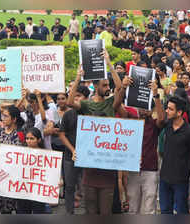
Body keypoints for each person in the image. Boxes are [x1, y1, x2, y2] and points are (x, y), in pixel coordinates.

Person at [66, 50, 125, 215]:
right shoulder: (86, 105)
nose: (107, 88)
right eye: (104, 85)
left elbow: (120, 87)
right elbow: (70, 102)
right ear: (96, 86)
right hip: (90, 167)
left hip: (107, 167)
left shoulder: (111, 103)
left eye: (108, 85)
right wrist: (78, 77)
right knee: (91, 211)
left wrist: (109, 63)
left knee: (105, 211)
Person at [122, 80, 165, 214]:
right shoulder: (131, 122)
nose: (143, 110)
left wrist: (156, 95)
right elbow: (117, 105)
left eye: (146, 108)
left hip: (150, 169)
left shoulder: (153, 124)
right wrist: (123, 87)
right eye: (140, 107)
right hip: (133, 169)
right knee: (133, 205)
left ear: (151, 110)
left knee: (149, 205)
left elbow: (162, 119)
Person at [159, 96, 190, 214]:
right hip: (164, 178)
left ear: (179, 112)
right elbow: (159, 118)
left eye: (170, 109)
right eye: (167, 108)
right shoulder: (167, 126)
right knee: (165, 211)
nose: (167, 111)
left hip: (181, 181)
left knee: (181, 211)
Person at [59, 86, 90, 214]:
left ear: (86, 99)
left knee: (88, 188)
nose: (75, 98)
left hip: (89, 156)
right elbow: (62, 134)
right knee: (70, 187)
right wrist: (73, 150)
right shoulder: (67, 115)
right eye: (74, 96)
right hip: (70, 157)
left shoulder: (90, 113)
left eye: (79, 96)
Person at [0, 105, 25, 214]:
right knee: (5, 209)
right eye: (2, 116)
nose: (3, 118)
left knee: (20, 208)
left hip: (17, 178)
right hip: (3, 177)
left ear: (14, 119)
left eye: (6, 116)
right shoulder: (0, 134)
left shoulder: (21, 135)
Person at [13, 127, 50, 214]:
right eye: (27, 138)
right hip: (23, 191)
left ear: (39, 140)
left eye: (32, 138)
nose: (28, 141)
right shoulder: (20, 153)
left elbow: (50, 173)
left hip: (38, 192)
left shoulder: (47, 155)